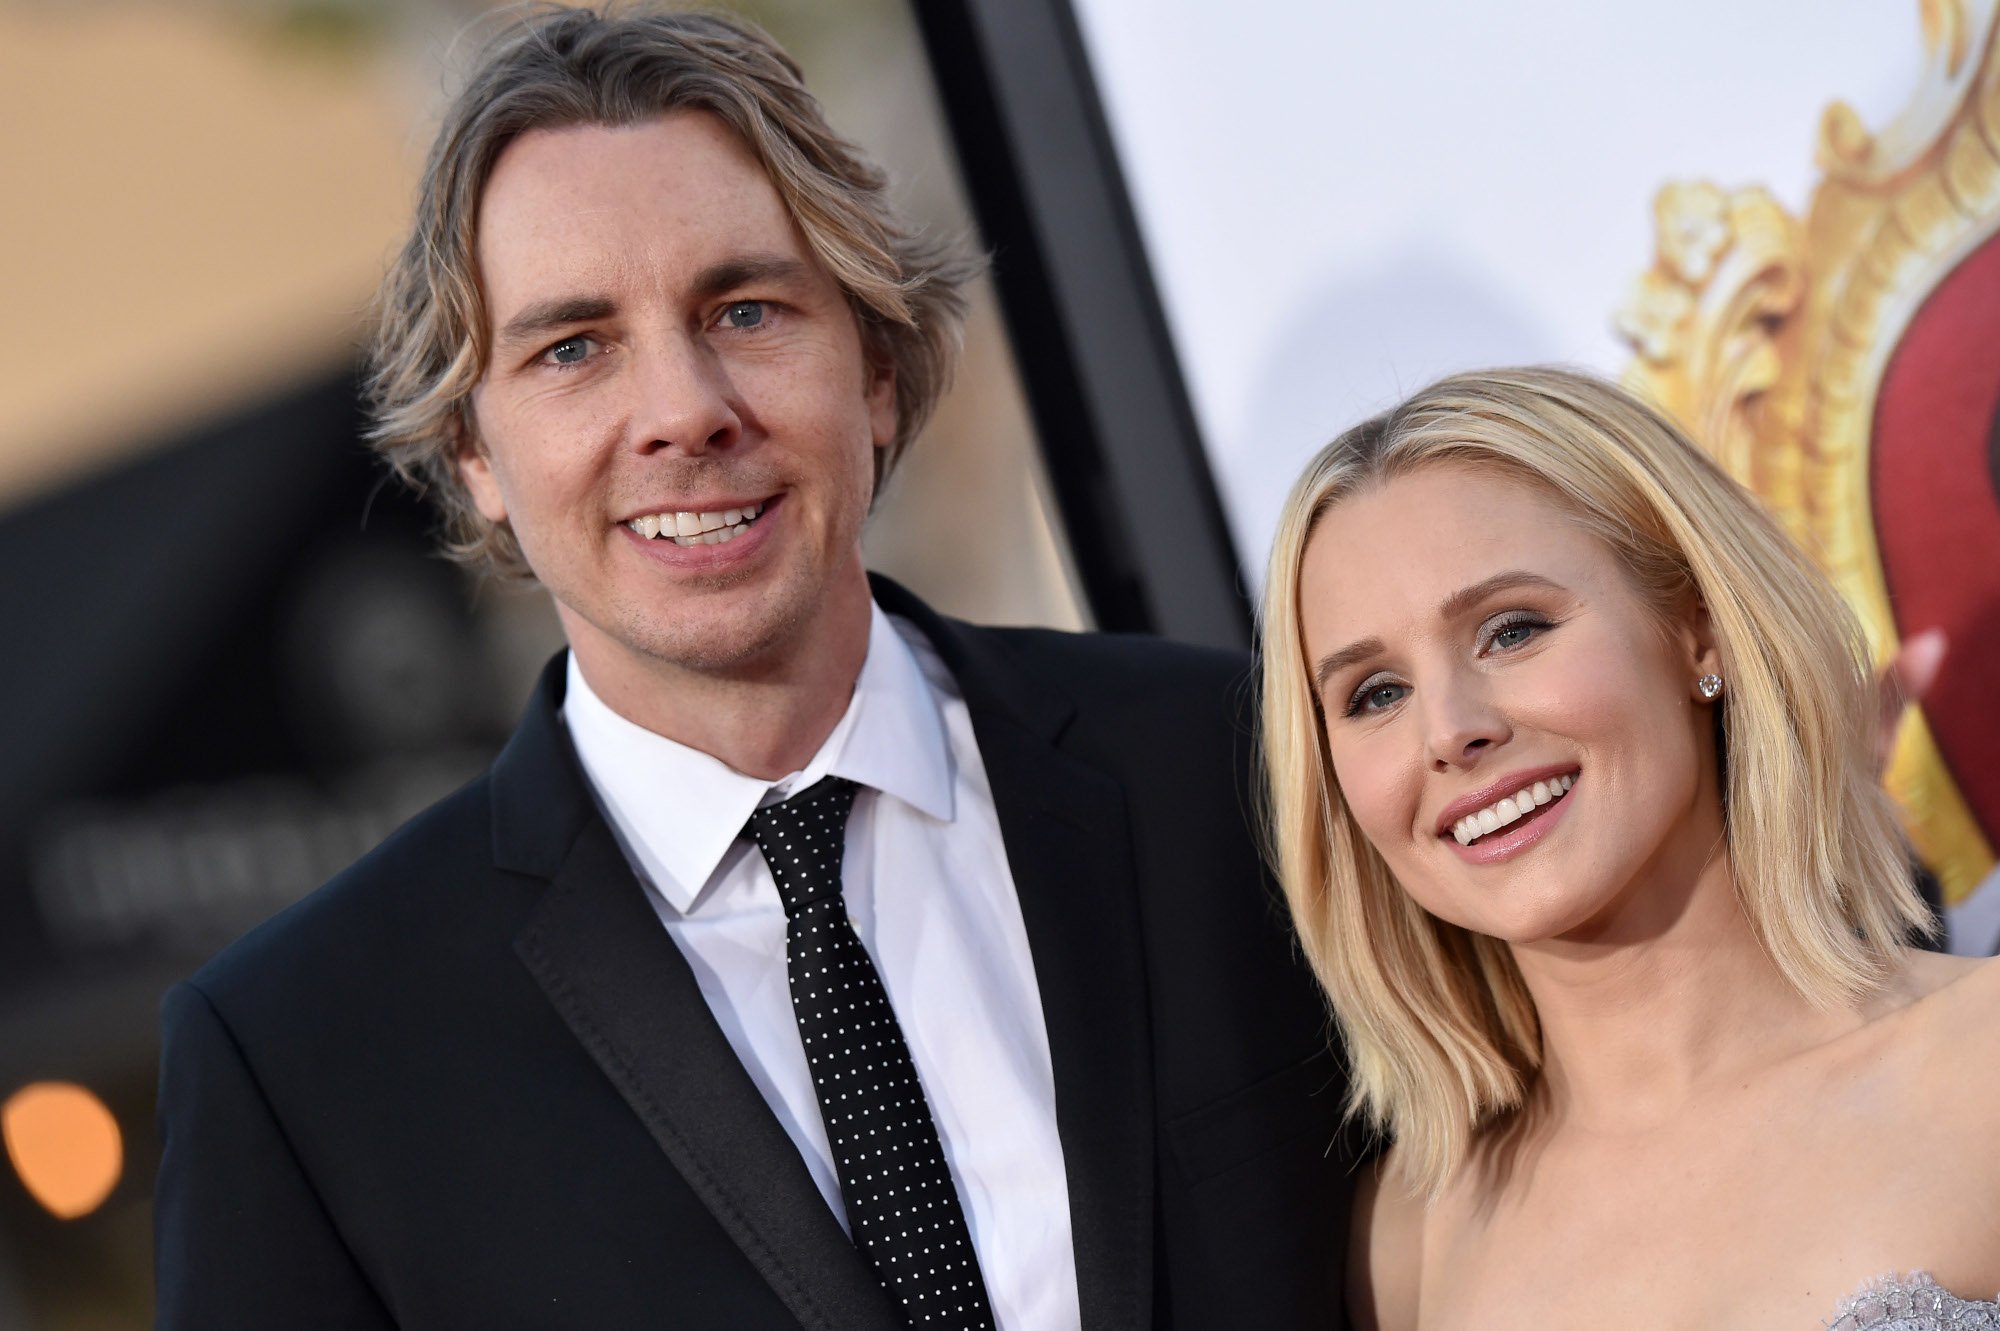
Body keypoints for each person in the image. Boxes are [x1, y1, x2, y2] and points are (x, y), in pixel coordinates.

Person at [152, 7, 1351, 1329]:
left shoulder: (1232, 763)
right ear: (475, 456)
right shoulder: (307, 1055)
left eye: (746, 307)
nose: (683, 410)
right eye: (574, 348)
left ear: (878, 371)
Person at [1257, 367, 2000, 1329]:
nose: (1449, 730)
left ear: (1697, 629)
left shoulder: (1979, 1062)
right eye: (1375, 693)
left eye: (1510, 631)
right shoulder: (1406, 1243)